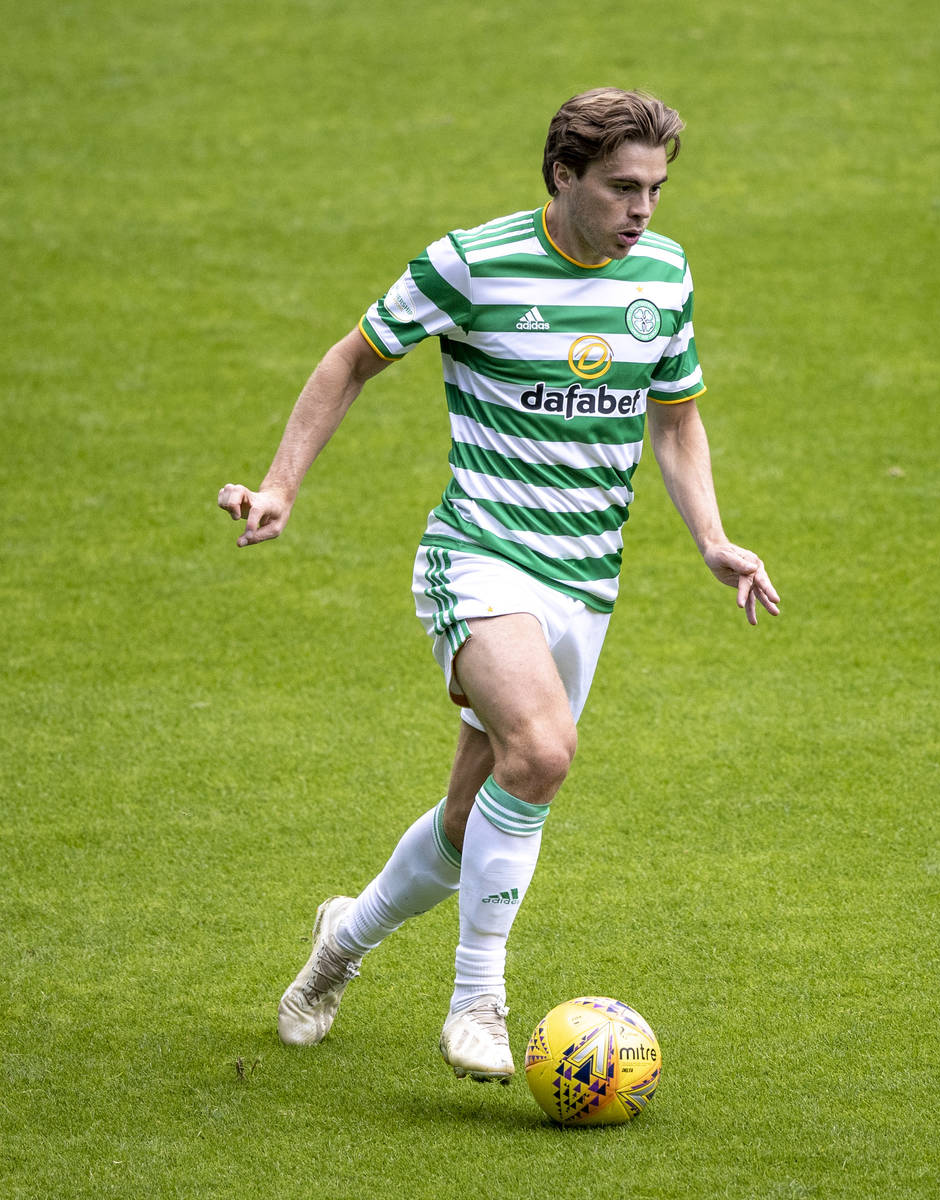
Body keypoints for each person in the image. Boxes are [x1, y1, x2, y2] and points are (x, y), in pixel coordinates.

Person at [217, 87, 780, 1084]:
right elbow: (350, 361)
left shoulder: (664, 273)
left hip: (586, 581)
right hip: (477, 555)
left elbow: (676, 418)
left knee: (468, 819)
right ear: (564, 176)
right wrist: (280, 487)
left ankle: (340, 943)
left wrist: (713, 538)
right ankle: (478, 999)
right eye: (622, 187)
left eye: (656, 187)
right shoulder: (470, 264)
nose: (643, 208)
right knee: (544, 751)